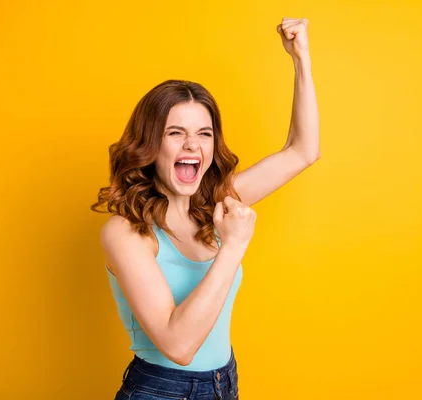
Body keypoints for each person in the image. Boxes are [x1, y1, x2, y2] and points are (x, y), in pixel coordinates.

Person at [91, 17, 320, 400]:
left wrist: (301, 59)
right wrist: (231, 248)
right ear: (150, 145)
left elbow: (302, 151)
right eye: (175, 133)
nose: (192, 146)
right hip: (160, 390)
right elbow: (178, 346)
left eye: (204, 134)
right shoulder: (127, 231)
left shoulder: (212, 205)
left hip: (223, 383)